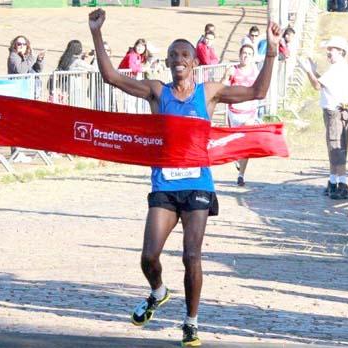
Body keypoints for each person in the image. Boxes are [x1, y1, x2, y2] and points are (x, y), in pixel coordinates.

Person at [89, 8, 281, 347]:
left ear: (194, 62)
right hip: (165, 184)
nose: (179, 60)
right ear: (166, 63)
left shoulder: (208, 92)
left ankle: (190, 323)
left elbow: (257, 92)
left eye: (184, 55)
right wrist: (96, 33)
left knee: (191, 256)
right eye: (173, 56)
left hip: (197, 185)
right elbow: (112, 78)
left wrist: (273, 50)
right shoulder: (156, 92)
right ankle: (158, 292)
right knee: (149, 257)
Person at [299, 36, 348, 200]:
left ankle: (341, 184)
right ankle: (333, 181)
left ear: (341, 52)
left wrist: (308, 70)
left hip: (335, 112)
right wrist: (313, 71)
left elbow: (317, 85)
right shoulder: (339, 67)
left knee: (336, 148)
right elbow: (322, 82)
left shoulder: (338, 68)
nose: (328, 53)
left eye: (332, 50)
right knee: (334, 147)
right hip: (335, 111)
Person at [221, 44, 260, 187]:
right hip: (234, 112)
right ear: (239, 55)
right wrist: (226, 76)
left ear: (252, 57)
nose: (246, 56)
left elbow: (259, 91)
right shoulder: (233, 70)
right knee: (234, 143)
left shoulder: (255, 72)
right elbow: (221, 88)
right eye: (244, 53)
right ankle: (237, 159)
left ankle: (241, 175)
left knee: (246, 145)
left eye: (249, 54)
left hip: (249, 113)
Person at [7, 35, 45, 162]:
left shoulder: (26, 57)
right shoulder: (13, 56)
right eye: (19, 44)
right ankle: (16, 152)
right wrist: (32, 58)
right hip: (17, 93)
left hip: (27, 92)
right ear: (14, 45)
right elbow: (21, 70)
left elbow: (36, 70)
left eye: (24, 44)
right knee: (16, 124)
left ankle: (23, 149)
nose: (21, 46)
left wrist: (39, 60)